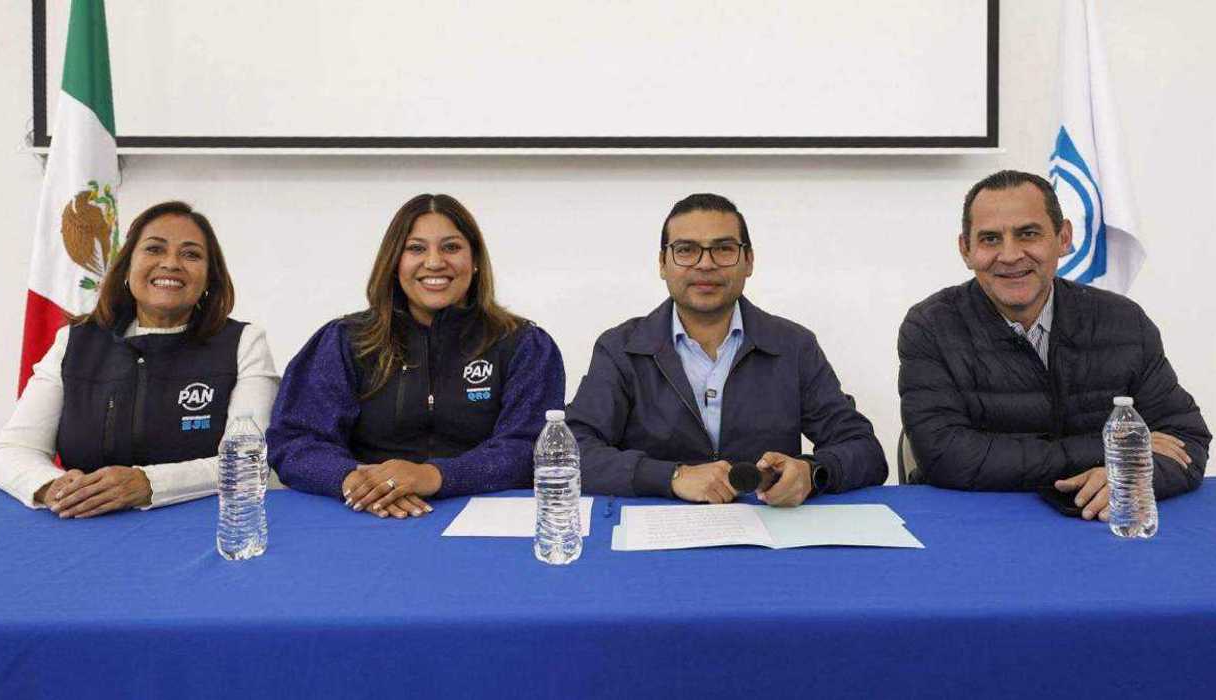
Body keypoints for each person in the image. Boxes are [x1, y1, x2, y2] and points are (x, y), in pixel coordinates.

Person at [898, 170, 1209, 520]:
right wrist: (1113, 448)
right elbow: (946, 456)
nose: (1011, 255)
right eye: (989, 239)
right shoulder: (931, 327)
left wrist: (1129, 478)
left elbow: (1185, 440)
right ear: (965, 250)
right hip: (973, 530)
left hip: (1099, 527)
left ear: (1063, 238)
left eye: (1028, 234)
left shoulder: (1124, 322)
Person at [566, 193, 887, 505]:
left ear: (748, 261)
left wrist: (811, 471)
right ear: (663, 263)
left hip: (768, 534)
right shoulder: (621, 348)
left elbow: (864, 450)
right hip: (656, 537)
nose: (706, 264)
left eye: (723, 249)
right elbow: (572, 452)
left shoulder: (793, 346)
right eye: (686, 250)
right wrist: (671, 477)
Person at [267, 194, 564, 518]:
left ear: (475, 261)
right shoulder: (344, 340)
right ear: (394, 262)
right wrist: (357, 482)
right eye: (416, 248)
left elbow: (529, 448)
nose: (435, 262)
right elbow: (295, 440)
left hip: (486, 521)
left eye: (451, 247)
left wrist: (431, 477)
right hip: (367, 514)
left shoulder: (524, 345)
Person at [0, 201, 280, 517]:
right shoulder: (74, 341)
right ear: (126, 266)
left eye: (191, 254)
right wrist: (54, 488)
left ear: (210, 277)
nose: (171, 263)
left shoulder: (243, 343)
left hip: (200, 527)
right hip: (84, 527)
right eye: (154, 249)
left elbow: (251, 460)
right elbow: (13, 450)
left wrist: (149, 484)